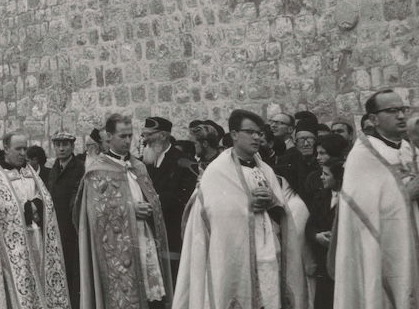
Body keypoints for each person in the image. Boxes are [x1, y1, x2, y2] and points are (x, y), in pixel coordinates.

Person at [174, 109, 307, 309]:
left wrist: (272, 202)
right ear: (234, 134)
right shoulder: (218, 171)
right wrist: (247, 205)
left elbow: (282, 212)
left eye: (260, 133)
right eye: (250, 132)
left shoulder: (266, 170)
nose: (257, 137)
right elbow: (212, 214)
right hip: (234, 257)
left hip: (268, 255)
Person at [334, 88, 419, 308]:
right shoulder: (363, 154)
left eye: (403, 109)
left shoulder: (409, 149)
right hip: (383, 246)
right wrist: (405, 195)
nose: (401, 116)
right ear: (373, 119)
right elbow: (361, 211)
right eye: (392, 111)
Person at [78, 113, 171, 309]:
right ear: (108, 136)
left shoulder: (138, 166)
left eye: (130, 135)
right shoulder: (97, 170)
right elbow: (96, 214)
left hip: (144, 238)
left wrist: (150, 208)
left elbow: (152, 198)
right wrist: (131, 209)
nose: (128, 141)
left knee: (150, 296)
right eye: (122, 136)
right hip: (118, 248)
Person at [0, 131, 70, 309]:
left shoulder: (30, 173)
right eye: (18, 148)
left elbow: (45, 198)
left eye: (25, 148)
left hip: (37, 239)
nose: (23, 153)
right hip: (13, 248)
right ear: (6, 148)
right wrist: (30, 208)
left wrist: (35, 205)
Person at [140, 116, 197, 285]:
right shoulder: (144, 160)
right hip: (149, 231)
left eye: (149, 135)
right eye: (144, 135)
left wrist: (155, 203)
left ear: (163, 136)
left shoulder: (183, 162)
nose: (145, 139)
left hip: (172, 232)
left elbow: (183, 198)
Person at [47, 131, 84, 309]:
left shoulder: (80, 168)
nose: (61, 148)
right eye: (58, 144)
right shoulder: (53, 168)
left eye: (65, 144)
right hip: (56, 227)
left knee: (74, 270)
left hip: (73, 229)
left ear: (72, 146)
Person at [306, 159, 343, 309]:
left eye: (326, 174)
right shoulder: (321, 197)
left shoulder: (350, 200)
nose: (321, 177)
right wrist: (317, 236)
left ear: (338, 178)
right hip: (324, 261)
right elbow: (309, 226)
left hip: (341, 262)